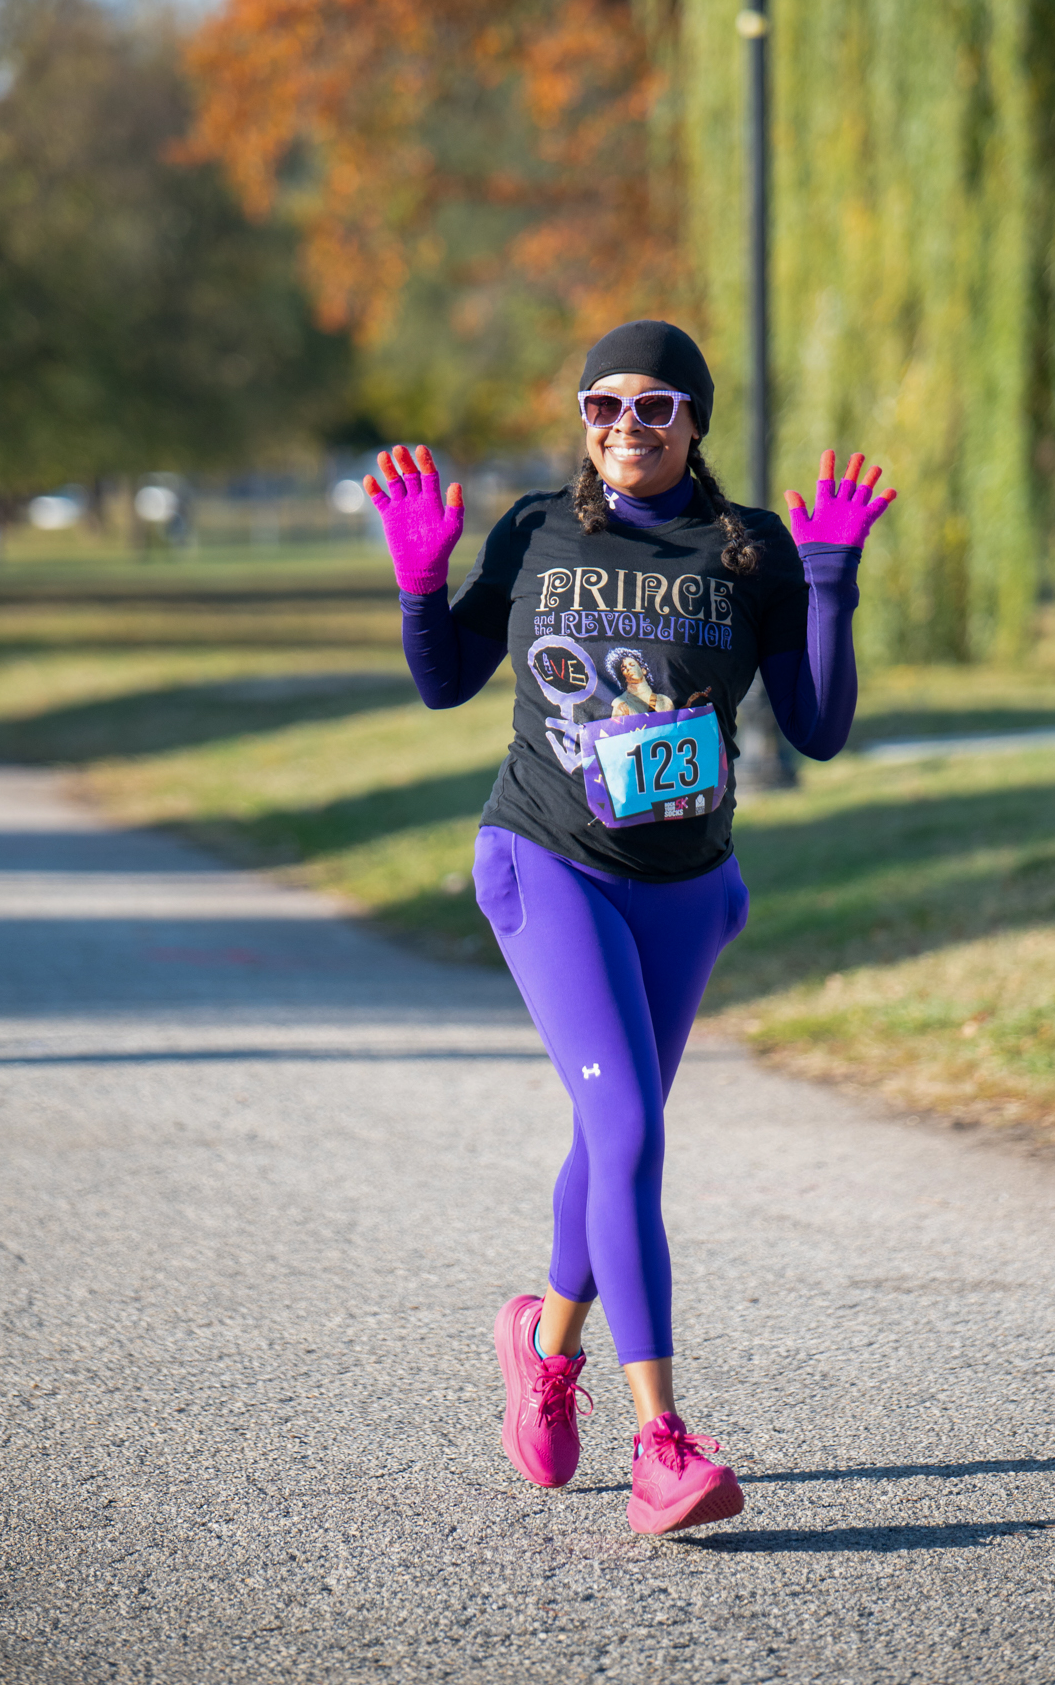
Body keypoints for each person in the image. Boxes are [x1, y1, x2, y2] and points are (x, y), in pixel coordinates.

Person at [364, 320, 896, 1536]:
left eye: (655, 407)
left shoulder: (748, 547)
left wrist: (826, 582)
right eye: (604, 405)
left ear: (695, 421)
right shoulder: (536, 532)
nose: (625, 429)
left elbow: (813, 727)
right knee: (624, 1122)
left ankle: (542, 1345)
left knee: (621, 1129)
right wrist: (416, 582)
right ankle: (661, 1437)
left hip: (686, 881)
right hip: (547, 856)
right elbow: (447, 678)